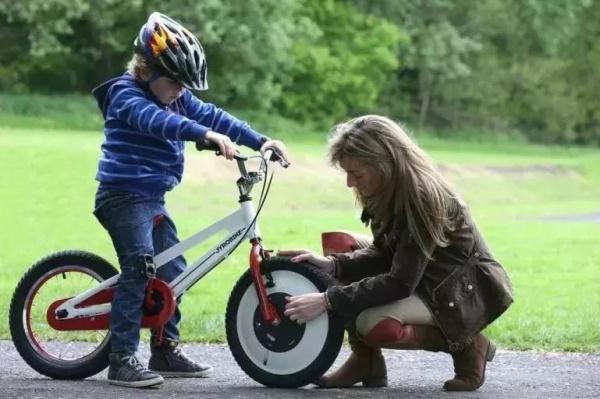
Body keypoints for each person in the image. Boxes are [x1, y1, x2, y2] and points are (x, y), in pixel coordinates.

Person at [91, 12, 289, 389]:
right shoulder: (125, 94)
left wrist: (260, 140)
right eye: (176, 83)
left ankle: (165, 350)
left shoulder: (178, 99)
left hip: (152, 198)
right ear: (147, 70)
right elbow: (154, 120)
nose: (181, 91)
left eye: (185, 85)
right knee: (139, 267)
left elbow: (216, 115)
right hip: (122, 197)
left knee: (174, 273)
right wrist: (202, 135)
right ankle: (121, 359)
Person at [280, 115, 513, 391]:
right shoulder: (386, 188)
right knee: (339, 244)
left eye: (356, 174)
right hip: (421, 274)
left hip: (456, 291)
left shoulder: (422, 199)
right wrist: (332, 265)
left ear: (384, 164)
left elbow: (400, 282)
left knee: (373, 324)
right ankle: (366, 362)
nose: (349, 183)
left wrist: (328, 300)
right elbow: (384, 253)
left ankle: (468, 345)